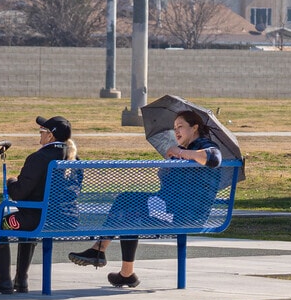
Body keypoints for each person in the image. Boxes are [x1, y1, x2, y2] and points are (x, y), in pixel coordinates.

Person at [67, 110, 222, 288]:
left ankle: (100, 251)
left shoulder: (203, 144)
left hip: (184, 215)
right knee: (129, 206)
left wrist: (180, 153)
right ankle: (125, 273)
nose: (176, 131)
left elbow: (214, 158)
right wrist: (168, 168)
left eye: (181, 127)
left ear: (195, 128)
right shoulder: (187, 150)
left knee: (128, 203)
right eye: (174, 128)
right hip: (172, 208)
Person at [0, 115, 78, 294]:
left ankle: (5, 281)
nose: (40, 134)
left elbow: (19, 193)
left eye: (42, 131)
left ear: (50, 136)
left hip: (37, 219)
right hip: (66, 219)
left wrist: (11, 182)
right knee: (24, 224)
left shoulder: (39, 158)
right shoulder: (74, 159)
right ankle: (20, 280)